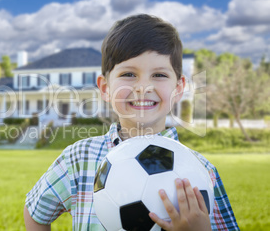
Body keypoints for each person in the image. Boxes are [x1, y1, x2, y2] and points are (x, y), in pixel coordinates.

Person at [24, 14, 239, 230]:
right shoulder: (78, 158)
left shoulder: (200, 170)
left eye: (159, 75)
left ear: (179, 89)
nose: (143, 87)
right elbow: (35, 212)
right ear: (106, 88)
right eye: (128, 74)